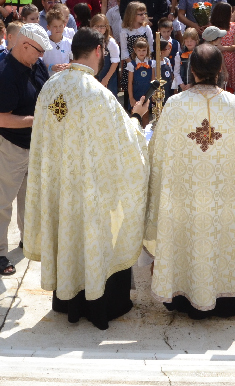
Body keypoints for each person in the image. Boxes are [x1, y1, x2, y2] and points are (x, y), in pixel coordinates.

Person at [22, 28, 149, 329]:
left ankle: (67, 301)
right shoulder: (98, 94)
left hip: (60, 186)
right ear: (98, 51)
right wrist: (136, 116)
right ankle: (98, 304)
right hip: (90, 189)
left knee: (68, 235)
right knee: (94, 239)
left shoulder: (51, 87)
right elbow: (126, 144)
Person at [144, 43, 235, 318]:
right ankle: (227, 299)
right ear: (220, 70)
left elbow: (157, 153)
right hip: (224, 199)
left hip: (184, 199)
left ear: (192, 70)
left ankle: (182, 294)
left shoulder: (175, 105)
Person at [0, 23, 52, 276]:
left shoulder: (35, 65)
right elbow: (3, 120)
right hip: (10, 146)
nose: (41, 56)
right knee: (2, 201)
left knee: (29, 197)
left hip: (32, 144)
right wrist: (40, 119)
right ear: (25, 45)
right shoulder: (4, 75)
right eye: (38, 51)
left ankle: (28, 240)